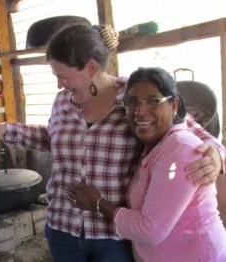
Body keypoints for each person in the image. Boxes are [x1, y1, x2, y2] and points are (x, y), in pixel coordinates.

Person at [0, 23, 225, 262]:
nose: (59, 84)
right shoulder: (63, 102)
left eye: (63, 76)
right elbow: (53, 139)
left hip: (112, 236)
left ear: (90, 68)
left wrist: (215, 153)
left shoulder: (137, 97)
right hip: (62, 227)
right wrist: (5, 131)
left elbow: (197, 134)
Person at [69, 67, 226, 261]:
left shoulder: (181, 150)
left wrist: (98, 204)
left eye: (153, 101)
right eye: (132, 102)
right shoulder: (155, 145)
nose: (140, 112)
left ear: (174, 104)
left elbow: (150, 229)